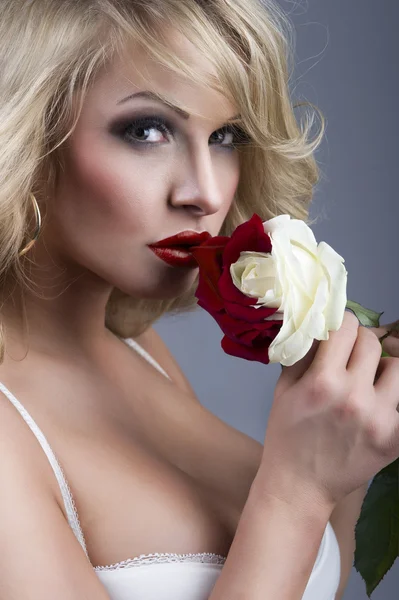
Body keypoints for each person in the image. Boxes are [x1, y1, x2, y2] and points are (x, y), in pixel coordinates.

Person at [0, 1, 398, 599]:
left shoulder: (138, 349)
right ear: (25, 136)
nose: (205, 193)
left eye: (225, 136)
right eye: (146, 130)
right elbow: (289, 514)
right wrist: (295, 490)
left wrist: (350, 425)